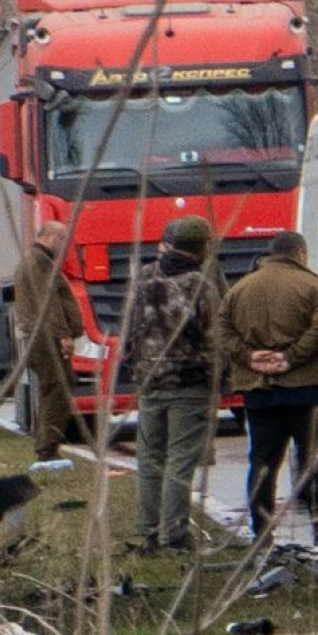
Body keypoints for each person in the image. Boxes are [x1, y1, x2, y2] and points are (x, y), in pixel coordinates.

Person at [217, 231, 318, 549]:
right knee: (316, 461)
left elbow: (221, 328)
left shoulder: (240, 288)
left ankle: (261, 530)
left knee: (262, 461)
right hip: (309, 387)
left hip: (258, 388)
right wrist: (290, 358)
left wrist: (248, 355)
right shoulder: (313, 285)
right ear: (300, 254)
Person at [124, 216, 222, 554]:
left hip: (149, 379)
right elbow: (213, 339)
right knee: (180, 459)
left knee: (150, 457)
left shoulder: (144, 278)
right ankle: (175, 535)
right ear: (201, 247)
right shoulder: (199, 284)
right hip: (188, 382)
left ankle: (148, 533)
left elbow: (129, 329)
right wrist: (217, 381)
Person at [14, 221, 87, 461]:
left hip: (41, 334)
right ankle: (47, 448)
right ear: (49, 237)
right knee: (58, 387)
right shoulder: (40, 262)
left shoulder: (33, 259)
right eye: (61, 239)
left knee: (54, 387)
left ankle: (47, 443)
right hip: (46, 336)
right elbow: (49, 302)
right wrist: (63, 334)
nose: (64, 245)